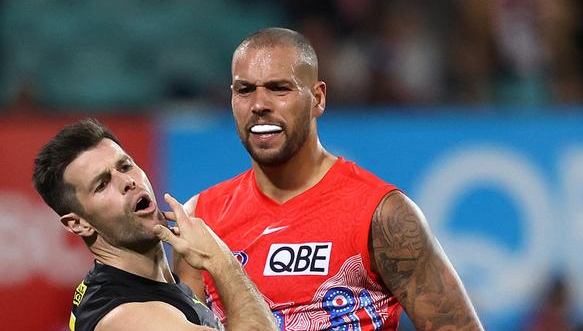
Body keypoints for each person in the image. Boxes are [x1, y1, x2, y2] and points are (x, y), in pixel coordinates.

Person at [174, 28, 484, 330]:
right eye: (245, 90)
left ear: (318, 98)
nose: (259, 105)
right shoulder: (200, 218)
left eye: (279, 88)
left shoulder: (383, 215)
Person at [32, 118, 278, 331]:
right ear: (79, 223)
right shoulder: (124, 316)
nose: (128, 181)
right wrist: (221, 260)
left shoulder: (156, 286)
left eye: (125, 166)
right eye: (102, 184)